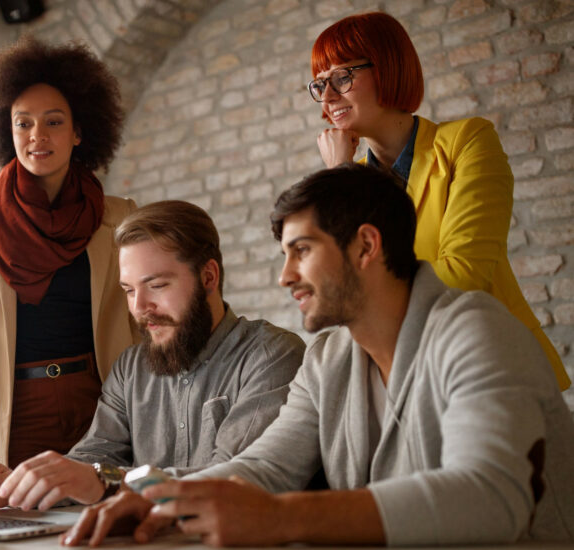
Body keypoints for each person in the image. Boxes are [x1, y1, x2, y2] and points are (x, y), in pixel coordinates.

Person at [62, 164, 574, 547]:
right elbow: (265, 468)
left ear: (365, 247)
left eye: (301, 251)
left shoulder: (475, 330)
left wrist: (283, 518)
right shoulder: (328, 357)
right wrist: (159, 500)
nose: (285, 276)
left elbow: (489, 497)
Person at [0, 200, 305, 511]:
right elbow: (90, 461)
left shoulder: (271, 356)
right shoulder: (130, 369)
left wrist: (107, 481)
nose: (140, 308)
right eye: (129, 290)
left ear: (208, 277)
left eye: (157, 285)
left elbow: (235, 479)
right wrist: (18, 487)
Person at [308, 12, 568, 390]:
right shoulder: (350, 177)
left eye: (343, 77)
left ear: (389, 69)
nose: (328, 97)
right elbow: (334, 292)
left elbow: (464, 274)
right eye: (320, 83)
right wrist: (340, 177)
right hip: (399, 383)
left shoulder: (468, 141)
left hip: (494, 373)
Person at [0, 37, 139, 467]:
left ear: (79, 131)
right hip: (10, 408)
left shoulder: (120, 217)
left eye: (54, 122)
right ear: (6, 131)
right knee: (12, 524)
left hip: (104, 406)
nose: (37, 136)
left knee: (101, 526)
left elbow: (141, 323)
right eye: (23, 123)